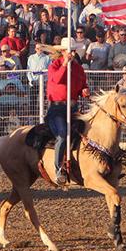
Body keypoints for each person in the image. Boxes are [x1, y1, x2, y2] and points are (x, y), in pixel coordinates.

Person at [45, 38, 90, 186]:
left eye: (74, 51)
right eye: (70, 51)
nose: (73, 53)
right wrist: (65, 64)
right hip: (57, 108)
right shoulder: (54, 66)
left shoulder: (78, 68)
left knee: (88, 131)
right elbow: (57, 79)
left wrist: (84, 90)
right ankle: (58, 170)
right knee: (62, 135)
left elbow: (82, 85)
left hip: (73, 107)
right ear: (63, 52)